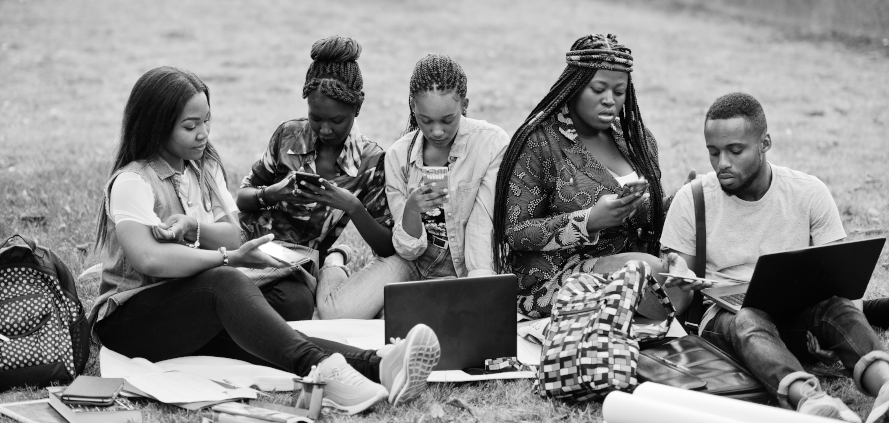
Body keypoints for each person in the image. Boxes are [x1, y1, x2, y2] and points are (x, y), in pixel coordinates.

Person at [90, 66, 440, 414]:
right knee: (224, 284)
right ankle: (321, 373)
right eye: (190, 126)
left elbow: (232, 231)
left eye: (206, 122)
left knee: (269, 336)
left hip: (181, 310)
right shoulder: (133, 181)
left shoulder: (203, 166)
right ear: (155, 125)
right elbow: (149, 260)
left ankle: (377, 365)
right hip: (128, 320)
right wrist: (228, 259)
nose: (203, 134)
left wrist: (194, 228)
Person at [661, 92, 889, 423]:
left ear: (765, 142)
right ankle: (810, 401)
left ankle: (884, 386)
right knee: (747, 316)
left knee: (837, 308)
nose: (722, 163)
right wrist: (677, 276)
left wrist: (835, 329)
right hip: (727, 323)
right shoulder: (693, 199)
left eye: (735, 151)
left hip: (796, 319)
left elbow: (844, 286)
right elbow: (677, 306)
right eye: (714, 152)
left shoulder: (808, 193)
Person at [493, 33, 687, 319]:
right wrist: (589, 221)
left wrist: (682, 200)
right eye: (598, 89)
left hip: (631, 263)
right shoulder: (539, 142)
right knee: (650, 275)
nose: (610, 100)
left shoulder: (639, 141)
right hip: (555, 280)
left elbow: (643, 216)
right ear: (575, 86)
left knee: (680, 281)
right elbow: (515, 232)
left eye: (619, 92)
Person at [314, 54, 510, 319]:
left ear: (464, 105)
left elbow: (481, 226)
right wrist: (412, 210)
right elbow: (408, 249)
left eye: (447, 120)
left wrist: (476, 287)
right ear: (413, 107)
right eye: (425, 120)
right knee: (336, 313)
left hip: (466, 264)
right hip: (413, 263)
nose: (437, 131)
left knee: (437, 320)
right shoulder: (398, 156)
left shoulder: (490, 144)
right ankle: (335, 261)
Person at [235, 37, 395, 322]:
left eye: (337, 120)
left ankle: (335, 257)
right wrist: (274, 193)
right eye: (315, 117)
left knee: (293, 305)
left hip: (297, 263)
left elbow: (387, 247)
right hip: (250, 243)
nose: (325, 129)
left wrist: (352, 206)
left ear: (357, 109)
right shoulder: (288, 135)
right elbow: (243, 198)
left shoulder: (371, 161)